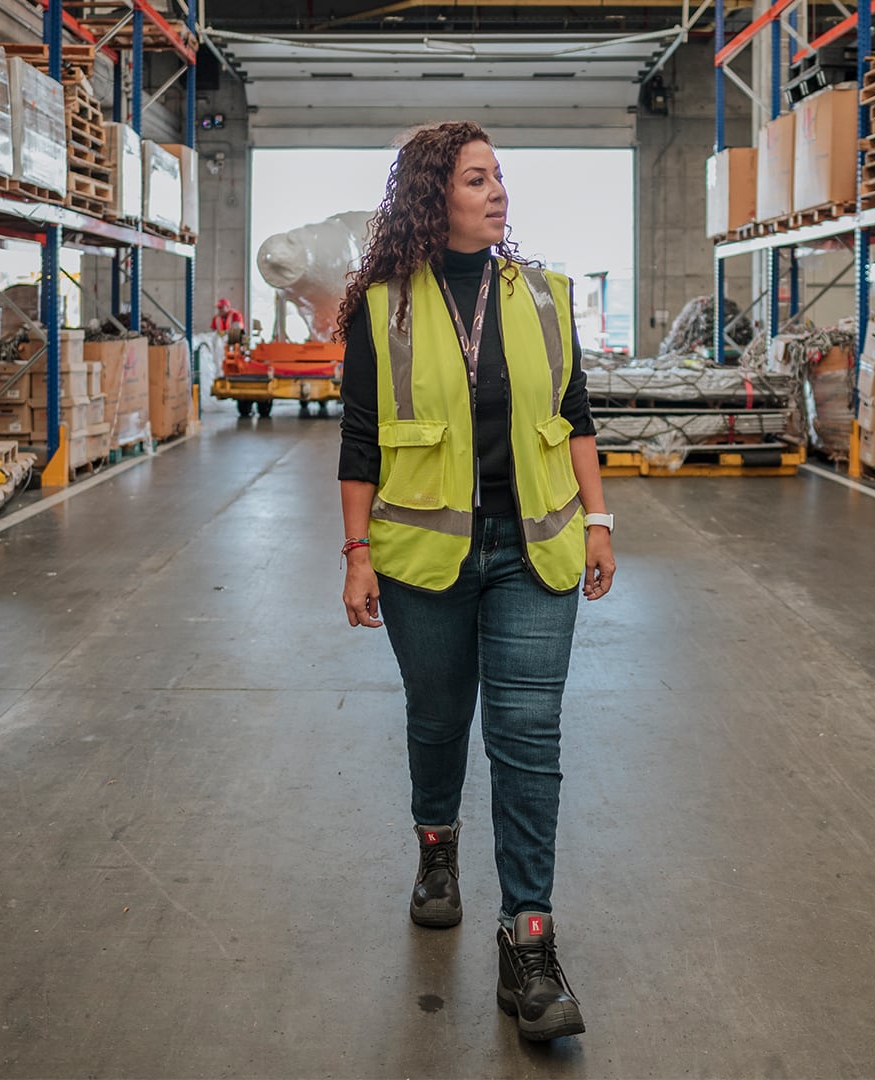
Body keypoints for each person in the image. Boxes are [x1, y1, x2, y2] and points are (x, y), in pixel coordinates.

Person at [335, 121, 616, 1043]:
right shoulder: (384, 307)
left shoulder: (544, 295)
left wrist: (600, 520)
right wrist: (356, 553)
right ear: (433, 196)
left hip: (534, 549)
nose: (497, 193)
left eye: (499, 177)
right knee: (438, 716)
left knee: (528, 737)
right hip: (425, 557)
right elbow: (362, 438)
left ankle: (528, 942)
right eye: (476, 179)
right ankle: (437, 846)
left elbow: (575, 414)